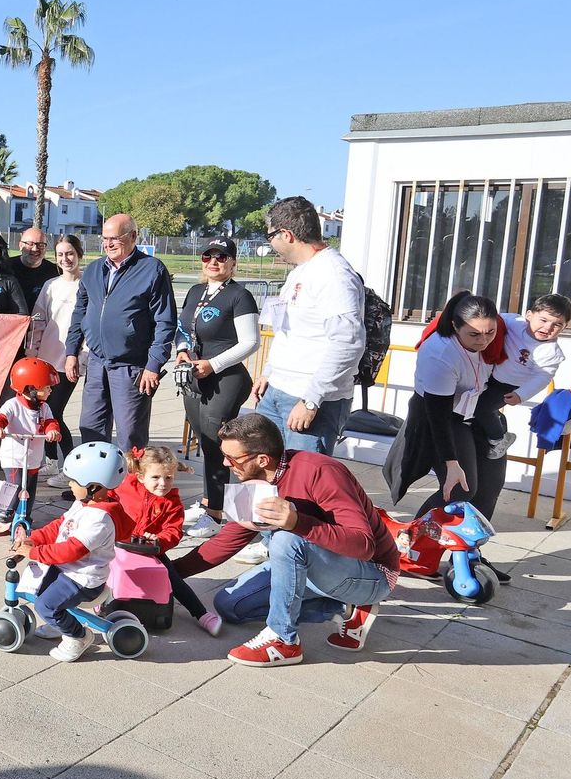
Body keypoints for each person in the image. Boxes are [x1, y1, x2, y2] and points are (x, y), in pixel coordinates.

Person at [207, 414, 398, 666]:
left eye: (231, 458)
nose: (225, 463)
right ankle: (344, 608)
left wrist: (298, 523)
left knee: (286, 538)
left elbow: (363, 545)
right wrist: (171, 575)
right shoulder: (254, 477)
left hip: (373, 573)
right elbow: (229, 538)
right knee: (228, 605)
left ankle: (283, 641)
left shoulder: (321, 471)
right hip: (317, 565)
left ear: (262, 459)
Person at [384, 292, 510, 559]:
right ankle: (405, 545)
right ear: (455, 325)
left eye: (490, 332)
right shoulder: (441, 354)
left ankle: (469, 555)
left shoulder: (496, 335)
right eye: (474, 335)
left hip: (475, 414)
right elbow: (438, 417)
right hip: (440, 418)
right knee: (459, 489)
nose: (484, 340)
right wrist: (451, 464)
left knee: (489, 488)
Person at [254, 196, 365, 456]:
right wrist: (269, 372)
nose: (270, 244)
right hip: (278, 390)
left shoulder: (334, 275)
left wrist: (311, 400)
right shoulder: (300, 271)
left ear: (287, 235)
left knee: (302, 487)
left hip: (310, 399)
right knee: (269, 479)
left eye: (269, 236)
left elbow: (348, 344)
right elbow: (288, 330)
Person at [62, 213, 177, 454]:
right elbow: (80, 312)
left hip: (132, 366)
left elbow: (165, 321)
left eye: (115, 238)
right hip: (96, 363)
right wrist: (71, 351)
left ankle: (130, 489)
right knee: (91, 429)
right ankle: (95, 487)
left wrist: (153, 364)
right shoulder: (94, 270)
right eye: (105, 238)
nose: (108, 244)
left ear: (133, 236)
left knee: (130, 436)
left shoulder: (151, 270)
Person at [175, 237, 261, 537]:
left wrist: (213, 364)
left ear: (233, 262)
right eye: (208, 256)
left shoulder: (240, 295)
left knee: (216, 445)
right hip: (195, 377)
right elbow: (183, 328)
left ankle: (214, 515)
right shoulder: (197, 291)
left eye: (222, 257)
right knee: (204, 443)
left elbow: (251, 342)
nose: (214, 262)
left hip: (225, 378)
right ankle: (209, 499)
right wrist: (182, 351)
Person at [11, 442, 126, 662]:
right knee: (39, 589)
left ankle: (78, 636)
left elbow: (71, 551)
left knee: (45, 605)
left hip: (83, 579)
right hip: (69, 571)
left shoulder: (99, 519)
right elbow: (60, 526)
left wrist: (34, 553)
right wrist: (33, 539)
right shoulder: (84, 503)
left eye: (73, 481)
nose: (70, 484)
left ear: (94, 485)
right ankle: (61, 622)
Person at [113, 446, 221, 635]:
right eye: (155, 477)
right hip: (117, 544)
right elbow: (107, 500)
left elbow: (173, 530)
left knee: (171, 577)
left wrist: (159, 540)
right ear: (140, 476)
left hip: (150, 550)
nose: (163, 483)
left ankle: (201, 614)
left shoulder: (173, 502)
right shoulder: (124, 486)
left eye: (168, 478)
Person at [477, 293, 571, 458]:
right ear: (529, 315)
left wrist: (521, 395)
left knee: (482, 408)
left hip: (509, 386)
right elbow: (493, 318)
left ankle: (500, 438)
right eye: (543, 320)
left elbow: (542, 377)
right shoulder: (514, 322)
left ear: (565, 326)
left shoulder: (551, 352)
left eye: (557, 325)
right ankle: (493, 419)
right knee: (470, 402)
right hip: (489, 373)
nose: (548, 328)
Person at [31, 234, 85, 482]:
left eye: (70, 253)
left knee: (55, 411)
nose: (66, 259)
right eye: (61, 254)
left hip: (71, 360)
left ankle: (72, 468)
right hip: (47, 358)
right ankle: (51, 462)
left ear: (79, 254)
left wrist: (81, 356)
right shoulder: (50, 286)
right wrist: (33, 352)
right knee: (44, 410)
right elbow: (39, 320)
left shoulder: (88, 285)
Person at [0, 358, 63, 530]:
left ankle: (25, 515)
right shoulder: (13, 405)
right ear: (31, 388)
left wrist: (53, 431)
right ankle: (3, 512)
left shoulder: (43, 407)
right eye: (47, 387)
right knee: (14, 488)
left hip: (33, 459)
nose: (51, 390)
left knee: (29, 491)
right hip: (14, 458)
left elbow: (51, 422)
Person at [10, 226, 60, 312]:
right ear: (20, 245)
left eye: (40, 245)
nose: (35, 249)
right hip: (12, 322)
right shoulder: (5, 268)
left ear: (45, 248)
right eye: (30, 244)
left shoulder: (56, 272)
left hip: (42, 322)